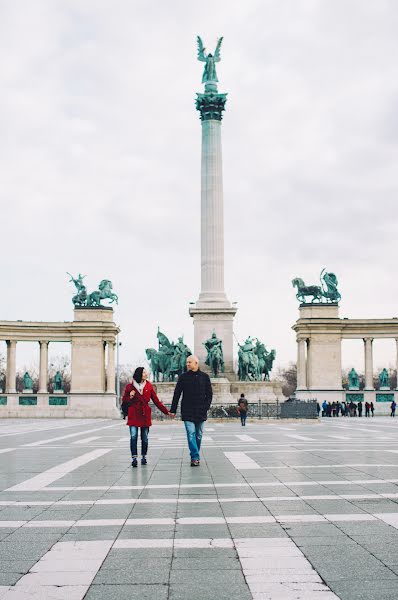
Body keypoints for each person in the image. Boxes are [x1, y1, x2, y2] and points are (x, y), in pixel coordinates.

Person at [121, 367, 170, 468]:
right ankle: (134, 458)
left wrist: (166, 412)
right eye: (144, 372)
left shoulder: (149, 386)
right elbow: (124, 401)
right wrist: (130, 396)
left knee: (145, 437)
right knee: (133, 436)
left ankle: (144, 456)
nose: (146, 373)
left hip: (144, 414)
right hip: (133, 414)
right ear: (139, 374)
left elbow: (156, 401)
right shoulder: (130, 387)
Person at [170, 355, 213, 466]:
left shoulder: (205, 377)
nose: (187, 364)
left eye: (189, 362)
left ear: (196, 363)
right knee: (191, 433)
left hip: (201, 410)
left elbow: (209, 394)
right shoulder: (183, 377)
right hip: (188, 410)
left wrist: (206, 406)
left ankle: (195, 454)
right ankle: (195, 457)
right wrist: (173, 409)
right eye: (187, 362)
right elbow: (177, 393)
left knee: (199, 434)